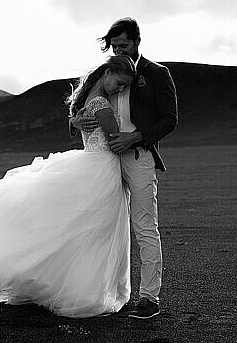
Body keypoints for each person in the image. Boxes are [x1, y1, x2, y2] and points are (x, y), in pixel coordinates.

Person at [0, 55, 136, 318]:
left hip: (90, 164)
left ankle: (74, 287)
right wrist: (136, 144)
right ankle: (87, 292)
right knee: (96, 233)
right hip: (103, 170)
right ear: (107, 73)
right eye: (119, 83)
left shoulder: (86, 102)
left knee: (81, 230)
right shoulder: (102, 105)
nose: (120, 90)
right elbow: (115, 141)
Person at [70, 17, 178, 319]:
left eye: (124, 45)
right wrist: (74, 121)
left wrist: (136, 137)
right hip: (103, 162)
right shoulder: (107, 72)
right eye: (114, 46)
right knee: (102, 227)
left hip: (138, 157)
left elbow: (170, 119)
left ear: (137, 41)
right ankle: (102, 294)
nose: (119, 50)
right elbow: (81, 109)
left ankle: (148, 298)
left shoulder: (156, 74)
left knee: (144, 226)